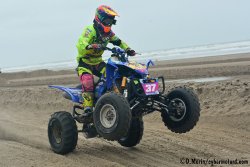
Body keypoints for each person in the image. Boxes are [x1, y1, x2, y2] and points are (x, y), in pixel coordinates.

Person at [76, 5, 136, 113]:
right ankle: (87, 108)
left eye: (111, 22)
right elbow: (81, 42)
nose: (109, 24)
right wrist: (89, 46)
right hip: (85, 62)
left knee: (113, 76)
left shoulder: (109, 34)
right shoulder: (90, 30)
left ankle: (117, 101)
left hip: (98, 62)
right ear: (100, 18)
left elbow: (119, 41)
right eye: (108, 21)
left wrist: (128, 49)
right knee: (87, 81)